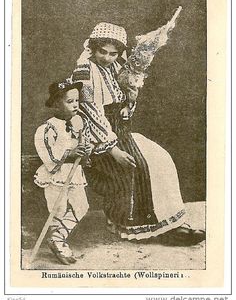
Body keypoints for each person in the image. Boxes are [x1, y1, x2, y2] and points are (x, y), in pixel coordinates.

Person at [71, 22, 205, 246]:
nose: (106, 57)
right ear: (93, 48)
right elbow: (89, 113)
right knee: (139, 166)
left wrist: (128, 104)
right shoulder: (85, 71)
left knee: (161, 158)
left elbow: (123, 99)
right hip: (97, 140)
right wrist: (113, 150)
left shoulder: (116, 66)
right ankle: (144, 227)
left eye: (113, 53)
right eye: (102, 51)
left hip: (121, 131)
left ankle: (169, 223)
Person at [34, 79, 93, 264]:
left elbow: (85, 142)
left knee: (81, 206)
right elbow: (48, 155)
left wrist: (85, 150)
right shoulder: (47, 128)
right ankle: (58, 243)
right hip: (56, 176)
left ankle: (57, 238)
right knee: (57, 210)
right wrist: (69, 152)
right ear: (57, 103)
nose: (75, 105)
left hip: (74, 173)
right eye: (70, 101)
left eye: (77, 100)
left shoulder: (79, 122)